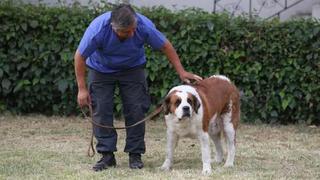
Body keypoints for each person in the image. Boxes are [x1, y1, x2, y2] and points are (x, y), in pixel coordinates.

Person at [74, 4, 202, 171]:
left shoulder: (143, 25)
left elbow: (165, 46)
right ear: (114, 28)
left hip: (133, 68)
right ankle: (107, 155)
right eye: (127, 32)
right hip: (101, 69)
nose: (132, 33)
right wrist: (82, 89)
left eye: (133, 29)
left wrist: (182, 72)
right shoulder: (98, 29)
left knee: (136, 109)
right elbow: (80, 56)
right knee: (101, 109)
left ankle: (135, 155)